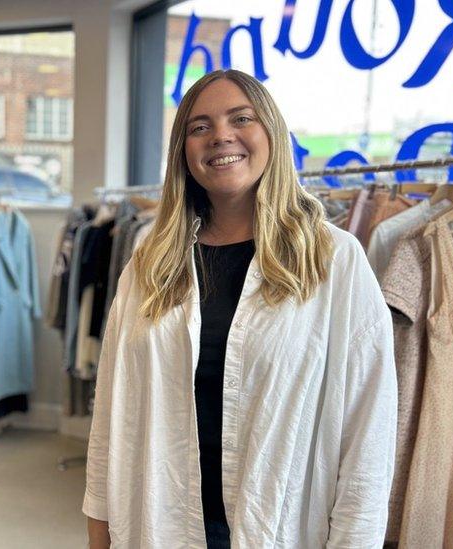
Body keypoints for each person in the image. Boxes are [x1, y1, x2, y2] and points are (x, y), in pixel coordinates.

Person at [83, 69, 397, 548]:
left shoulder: (333, 260)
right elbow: (111, 408)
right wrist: (100, 528)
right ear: (183, 151)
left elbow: (367, 427)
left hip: (279, 527)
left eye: (240, 118)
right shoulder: (150, 260)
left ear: (270, 131)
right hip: (160, 522)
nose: (220, 136)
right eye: (200, 126)